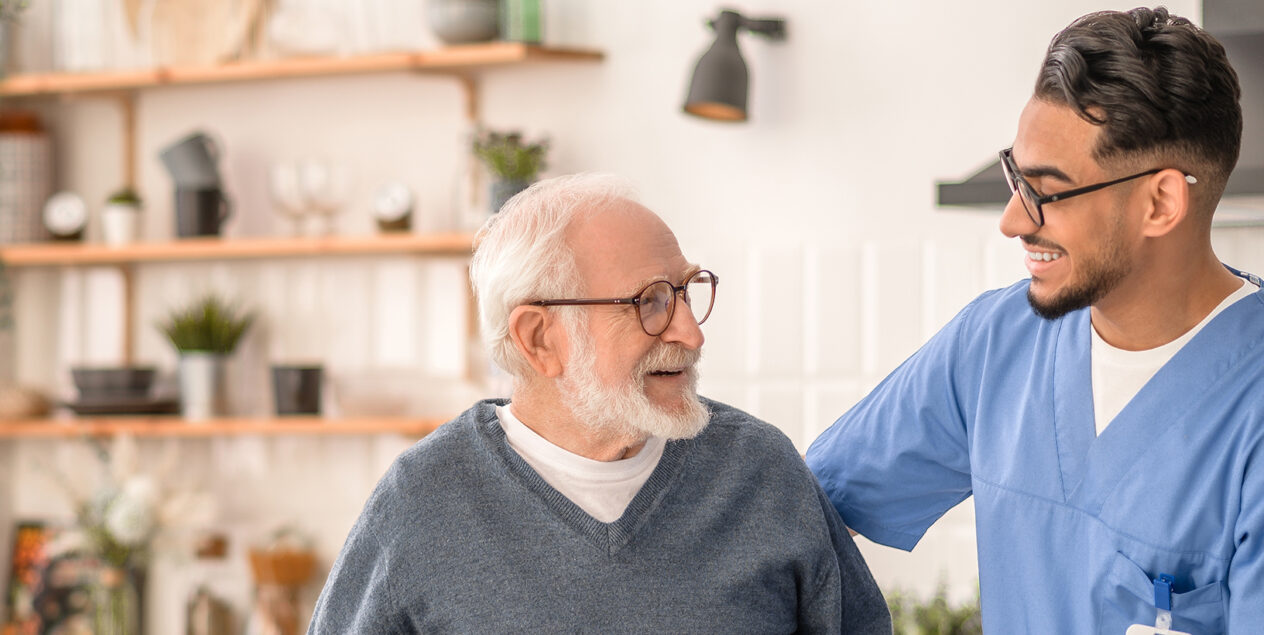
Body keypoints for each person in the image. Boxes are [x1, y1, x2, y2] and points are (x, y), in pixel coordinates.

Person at [806, 7, 1264, 634]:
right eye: (1015, 175)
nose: (1014, 220)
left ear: (1160, 203)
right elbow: (800, 516)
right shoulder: (995, 343)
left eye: (1047, 190)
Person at [308, 173, 890, 633]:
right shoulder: (423, 501)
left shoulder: (762, 470)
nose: (690, 332)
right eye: (649, 302)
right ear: (539, 338)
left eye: (687, 292)